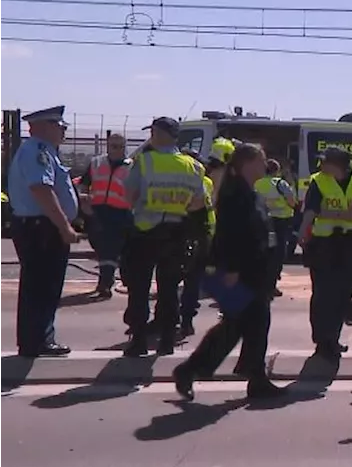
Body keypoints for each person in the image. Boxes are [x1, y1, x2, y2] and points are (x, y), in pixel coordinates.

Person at [173, 143, 285, 400]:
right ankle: (191, 370)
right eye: (261, 160)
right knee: (239, 326)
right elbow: (229, 234)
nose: (265, 164)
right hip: (241, 272)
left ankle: (253, 376)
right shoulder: (235, 194)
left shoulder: (250, 192)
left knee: (248, 325)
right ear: (247, 163)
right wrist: (232, 268)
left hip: (255, 271)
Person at [121, 117, 209, 357]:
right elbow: (199, 201)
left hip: (145, 231)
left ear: (160, 133)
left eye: (152, 131)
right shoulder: (193, 166)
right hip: (176, 231)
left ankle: (138, 341)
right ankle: (167, 341)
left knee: (139, 289)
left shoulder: (145, 161)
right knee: (169, 289)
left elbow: (129, 195)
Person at [6, 106, 78, 358]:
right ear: (44, 126)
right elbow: (41, 190)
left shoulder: (43, 151)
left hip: (38, 226)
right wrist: (64, 226)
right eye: (60, 126)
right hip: (42, 228)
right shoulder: (38, 151)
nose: (64, 130)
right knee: (43, 286)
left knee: (41, 285)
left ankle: (36, 339)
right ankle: (38, 340)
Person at [298, 146, 352, 360]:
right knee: (322, 294)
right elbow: (311, 210)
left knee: (342, 294)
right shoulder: (319, 180)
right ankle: (322, 340)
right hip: (322, 244)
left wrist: (331, 212)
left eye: (325, 162)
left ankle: (333, 338)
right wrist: (304, 230)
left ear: (337, 165)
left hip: (348, 244)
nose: (321, 166)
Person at [81, 132, 133, 298]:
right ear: (107, 146)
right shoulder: (96, 163)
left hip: (120, 213)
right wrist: (85, 202)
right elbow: (84, 184)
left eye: (121, 146)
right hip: (97, 212)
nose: (118, 150)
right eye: (114, 146)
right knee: (101, 247)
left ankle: (105, 283)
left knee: (109, 250)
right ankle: (113, 280)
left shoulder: (132, 166)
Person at [178, 150, 216, 338]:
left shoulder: (183, 183)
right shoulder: (206, 182)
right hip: (202, 235)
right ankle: (186, 321)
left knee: (176, 281)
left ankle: (180, 320)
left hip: (185, 234)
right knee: (191, 282)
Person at [254, 159, 299, 296]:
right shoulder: (281, 184)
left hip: (262, 222)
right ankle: (271, 286)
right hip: (280, 223)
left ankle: (258, 283)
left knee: (262, 252)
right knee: (277, 255)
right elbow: (292, 203)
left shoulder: (257, 183)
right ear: (276, 171)